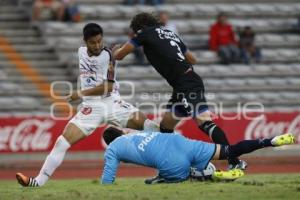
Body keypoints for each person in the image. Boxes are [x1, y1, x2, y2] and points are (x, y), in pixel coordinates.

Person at [15, 23, 159, 187]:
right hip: (90, 108)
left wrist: (80, 93)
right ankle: (38, 182)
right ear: (85, 42)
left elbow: (109, 86)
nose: (97, 45)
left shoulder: (108, 55)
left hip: (111, 102)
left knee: (151, 127)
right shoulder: (81, 52)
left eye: (100, 41)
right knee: (62, 142)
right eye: (93, 42)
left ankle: (178, 167)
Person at [112, 12, 246, 172]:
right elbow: (192, 59)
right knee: (165, 129)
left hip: (185, 84)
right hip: (184, 82)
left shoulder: (144, 33)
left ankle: (234, 160)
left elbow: (120, 55)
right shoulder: (170, 33)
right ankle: (171, 169)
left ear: (139, 28)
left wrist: (114, 51)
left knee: (205, 123)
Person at [101, 126, 295, 184]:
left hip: (170, 160)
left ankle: (211, 175)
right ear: (121, 132)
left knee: (175, 177)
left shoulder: (112, 149)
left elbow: (108, 176)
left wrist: (105, 187)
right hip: (180, 142)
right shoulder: (135, 133)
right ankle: (270, 141)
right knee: (230, 150)